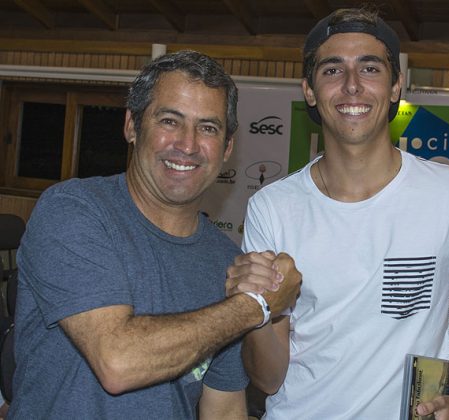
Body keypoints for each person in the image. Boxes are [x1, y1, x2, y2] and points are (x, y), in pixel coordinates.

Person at [229, 6, 449, 420]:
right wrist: (258, 306)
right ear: (310, 91)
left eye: (369, 68)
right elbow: (269, 379)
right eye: (332, 70)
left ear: (395, 86)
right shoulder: (273, 206)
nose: (352, 86)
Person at [8, 50, 301, 419]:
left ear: (227, 148)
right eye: (170, 120)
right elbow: (117, 361)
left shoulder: (227, 264)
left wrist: (253, 306)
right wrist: (256, 306)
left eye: (208, 128)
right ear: (132, 125)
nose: (188, 144)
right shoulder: (72, 211)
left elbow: (223, 408)